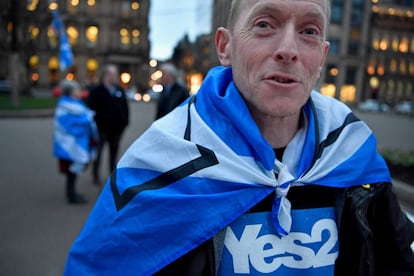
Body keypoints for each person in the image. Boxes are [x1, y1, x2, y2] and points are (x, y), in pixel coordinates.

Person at [64, 0, 414, 275]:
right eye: (264, 25)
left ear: (320, 57)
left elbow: (393, 263)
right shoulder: (160, 162)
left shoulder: (354, 154)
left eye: (309, 30)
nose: (288, 49)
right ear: (225, 46)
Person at [53, 80, 98, 204]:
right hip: (70, 145)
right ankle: (71, 195)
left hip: (76, 143)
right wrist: (86, 120)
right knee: (71, 170)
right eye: (77, 90)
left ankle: (71, 192)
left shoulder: (75, 105)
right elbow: (67, 126)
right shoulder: (65, 107)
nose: (80, 92)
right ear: (71, 93)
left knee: (73, 170)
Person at [87, 64, 129, 185]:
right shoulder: (96, 91)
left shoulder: (119, 90)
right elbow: (90, 110)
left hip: (116, 130)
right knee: (98, 154)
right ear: (106, 75)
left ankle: (112, 175)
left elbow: (125, 109)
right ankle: (95, 175)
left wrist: (124, 123)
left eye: (115, 75)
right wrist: (97, 125)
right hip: (101, 130)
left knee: (114, 153)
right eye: (113, 75)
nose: (115, 77)